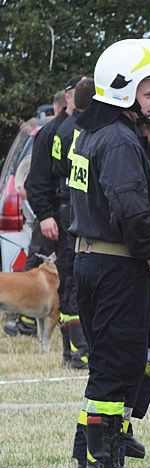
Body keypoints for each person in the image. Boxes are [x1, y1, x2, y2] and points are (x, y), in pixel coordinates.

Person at [68, 39, 150, 468]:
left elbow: (137, 195)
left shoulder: (109, 133)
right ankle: (97, 454)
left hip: (105, 261)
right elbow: (132, 209)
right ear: (123, 90)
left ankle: (120, 420)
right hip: (116, 264)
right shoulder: (115, 140)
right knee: (114, 362)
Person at [3, 82, 77, 339]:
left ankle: (44, 322)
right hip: (51, 214)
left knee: (65, 276)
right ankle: (27, 322)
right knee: (35, 264)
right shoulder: (51, 132)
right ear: (66, 100)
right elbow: (37, 181)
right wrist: (45, 216)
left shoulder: (83, 127)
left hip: (70, 216)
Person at [50, 77, 94, 370]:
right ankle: (84, 349)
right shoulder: (97, 128)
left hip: (66, 206)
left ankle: (72, 350)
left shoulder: (62, 131)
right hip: (86, 207)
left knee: (69, 279)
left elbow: (57, 168)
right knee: (83, 280)